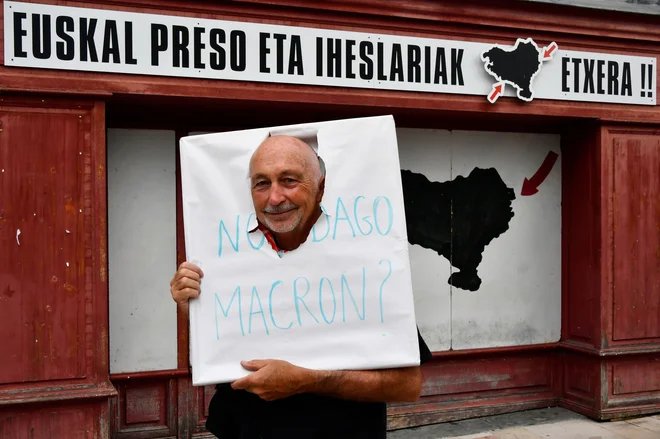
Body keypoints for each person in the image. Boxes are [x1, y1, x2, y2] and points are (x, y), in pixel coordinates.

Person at [170, 135, 432, 438]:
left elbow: (407, 385)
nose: (275, 197)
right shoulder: (226, 266)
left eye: (289, 180)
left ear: (321, 187)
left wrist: (308, 380)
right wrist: (195, 310)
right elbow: (218, 359)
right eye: (261, 183)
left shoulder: (367, 267)